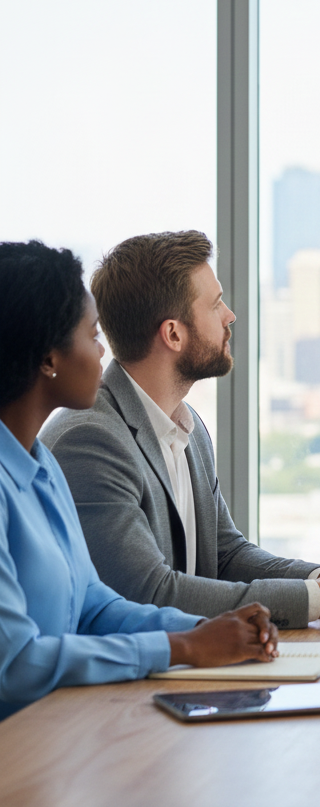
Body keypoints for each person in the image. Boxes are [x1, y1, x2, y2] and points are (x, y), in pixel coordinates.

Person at [41, 231, 320, 630]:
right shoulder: (91, 440)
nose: (230, 315)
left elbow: (225, 555)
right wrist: (315, 599)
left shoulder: (185, 423)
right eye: (215, 304)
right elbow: (149, 593)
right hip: (125, 682)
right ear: (173, 334)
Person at [0, 240, 279, 721]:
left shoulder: (40, 464)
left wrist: (203, 631)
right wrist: (179, 647)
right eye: (91, 336)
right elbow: (14, 664)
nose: (104, 350)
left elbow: (92, 604)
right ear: (49, 358)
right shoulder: (78, 443)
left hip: (59, 729)